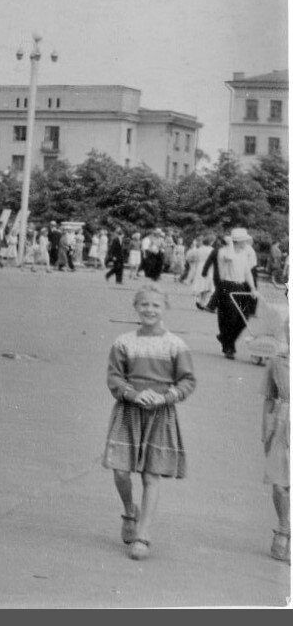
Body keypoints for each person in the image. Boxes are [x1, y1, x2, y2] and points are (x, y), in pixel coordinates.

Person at [102, 283, 197, 561]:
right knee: (120, 471)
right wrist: (133, 394)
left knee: (150, 475)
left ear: (165, 308)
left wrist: (165, 397)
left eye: (155, 305)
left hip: (159, 415)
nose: (149, 310)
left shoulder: (176, 345)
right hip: (129, 412)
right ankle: (130, 510)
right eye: (144, 304)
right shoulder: (123, 342)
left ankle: (143, 535)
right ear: (135, 307)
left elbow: (188, 381)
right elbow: (114, 378)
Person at [261, 321, 290, 563]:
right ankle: (283, 526)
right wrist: (266, 431)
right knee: (280, 485)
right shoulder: (277, 361)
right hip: (282, 424)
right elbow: (269, 398)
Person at [214, 227, 260, 360]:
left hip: (240, 286)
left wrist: (252, 288)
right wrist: (229, 244)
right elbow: (229, 258)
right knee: (230, 318)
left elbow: (247, 272)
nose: (246, 242)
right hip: (226, 286)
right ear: (237, 241)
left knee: (243, 318)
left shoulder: (243, 253)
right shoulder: (224, 252)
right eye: (244, 240)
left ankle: (226, 339)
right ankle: (229, 347)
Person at [185, 235, 214, 310]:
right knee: (207, 285)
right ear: (210, 242)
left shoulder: (199, 249)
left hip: (200, 266)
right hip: (209, 267)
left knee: (201, 284)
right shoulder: (212, 250)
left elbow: (191, 257)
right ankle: (203, 302)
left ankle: (200, 301)